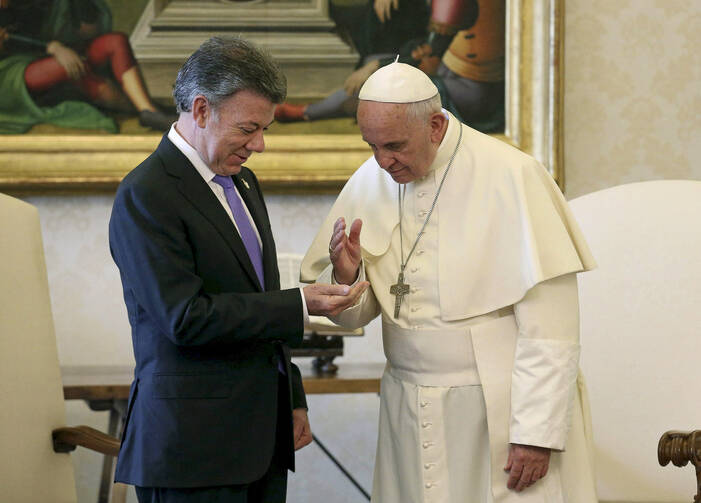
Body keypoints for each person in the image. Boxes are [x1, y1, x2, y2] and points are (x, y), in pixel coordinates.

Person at [301, 62, 599, 502]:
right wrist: (348, 274)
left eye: (395, 145)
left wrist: (536, 433)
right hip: (406, 400)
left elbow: (551, 329)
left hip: (497, 406)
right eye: (372, 145)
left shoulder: (512, 175)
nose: (383, 161)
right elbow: (354, 316)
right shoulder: (373, 178)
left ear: (436, 126)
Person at [109, 36, 367, 503]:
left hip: (260, 439)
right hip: (192, 451)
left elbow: (253, 296)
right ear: (202, 109)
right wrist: (298, 303)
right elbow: (185, 319)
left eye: (265, 129)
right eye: (249, 128)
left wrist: (291, 396)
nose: (260, 145)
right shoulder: (147, 193)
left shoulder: (242, 182)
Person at [0, 0, 173, 134]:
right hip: (13, 69)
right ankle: (143, 109)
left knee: (115, 41)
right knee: (75, 67)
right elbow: (6, 37)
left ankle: (147, 110)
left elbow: (88, 31)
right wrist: (52, 47)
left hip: (63, 52)